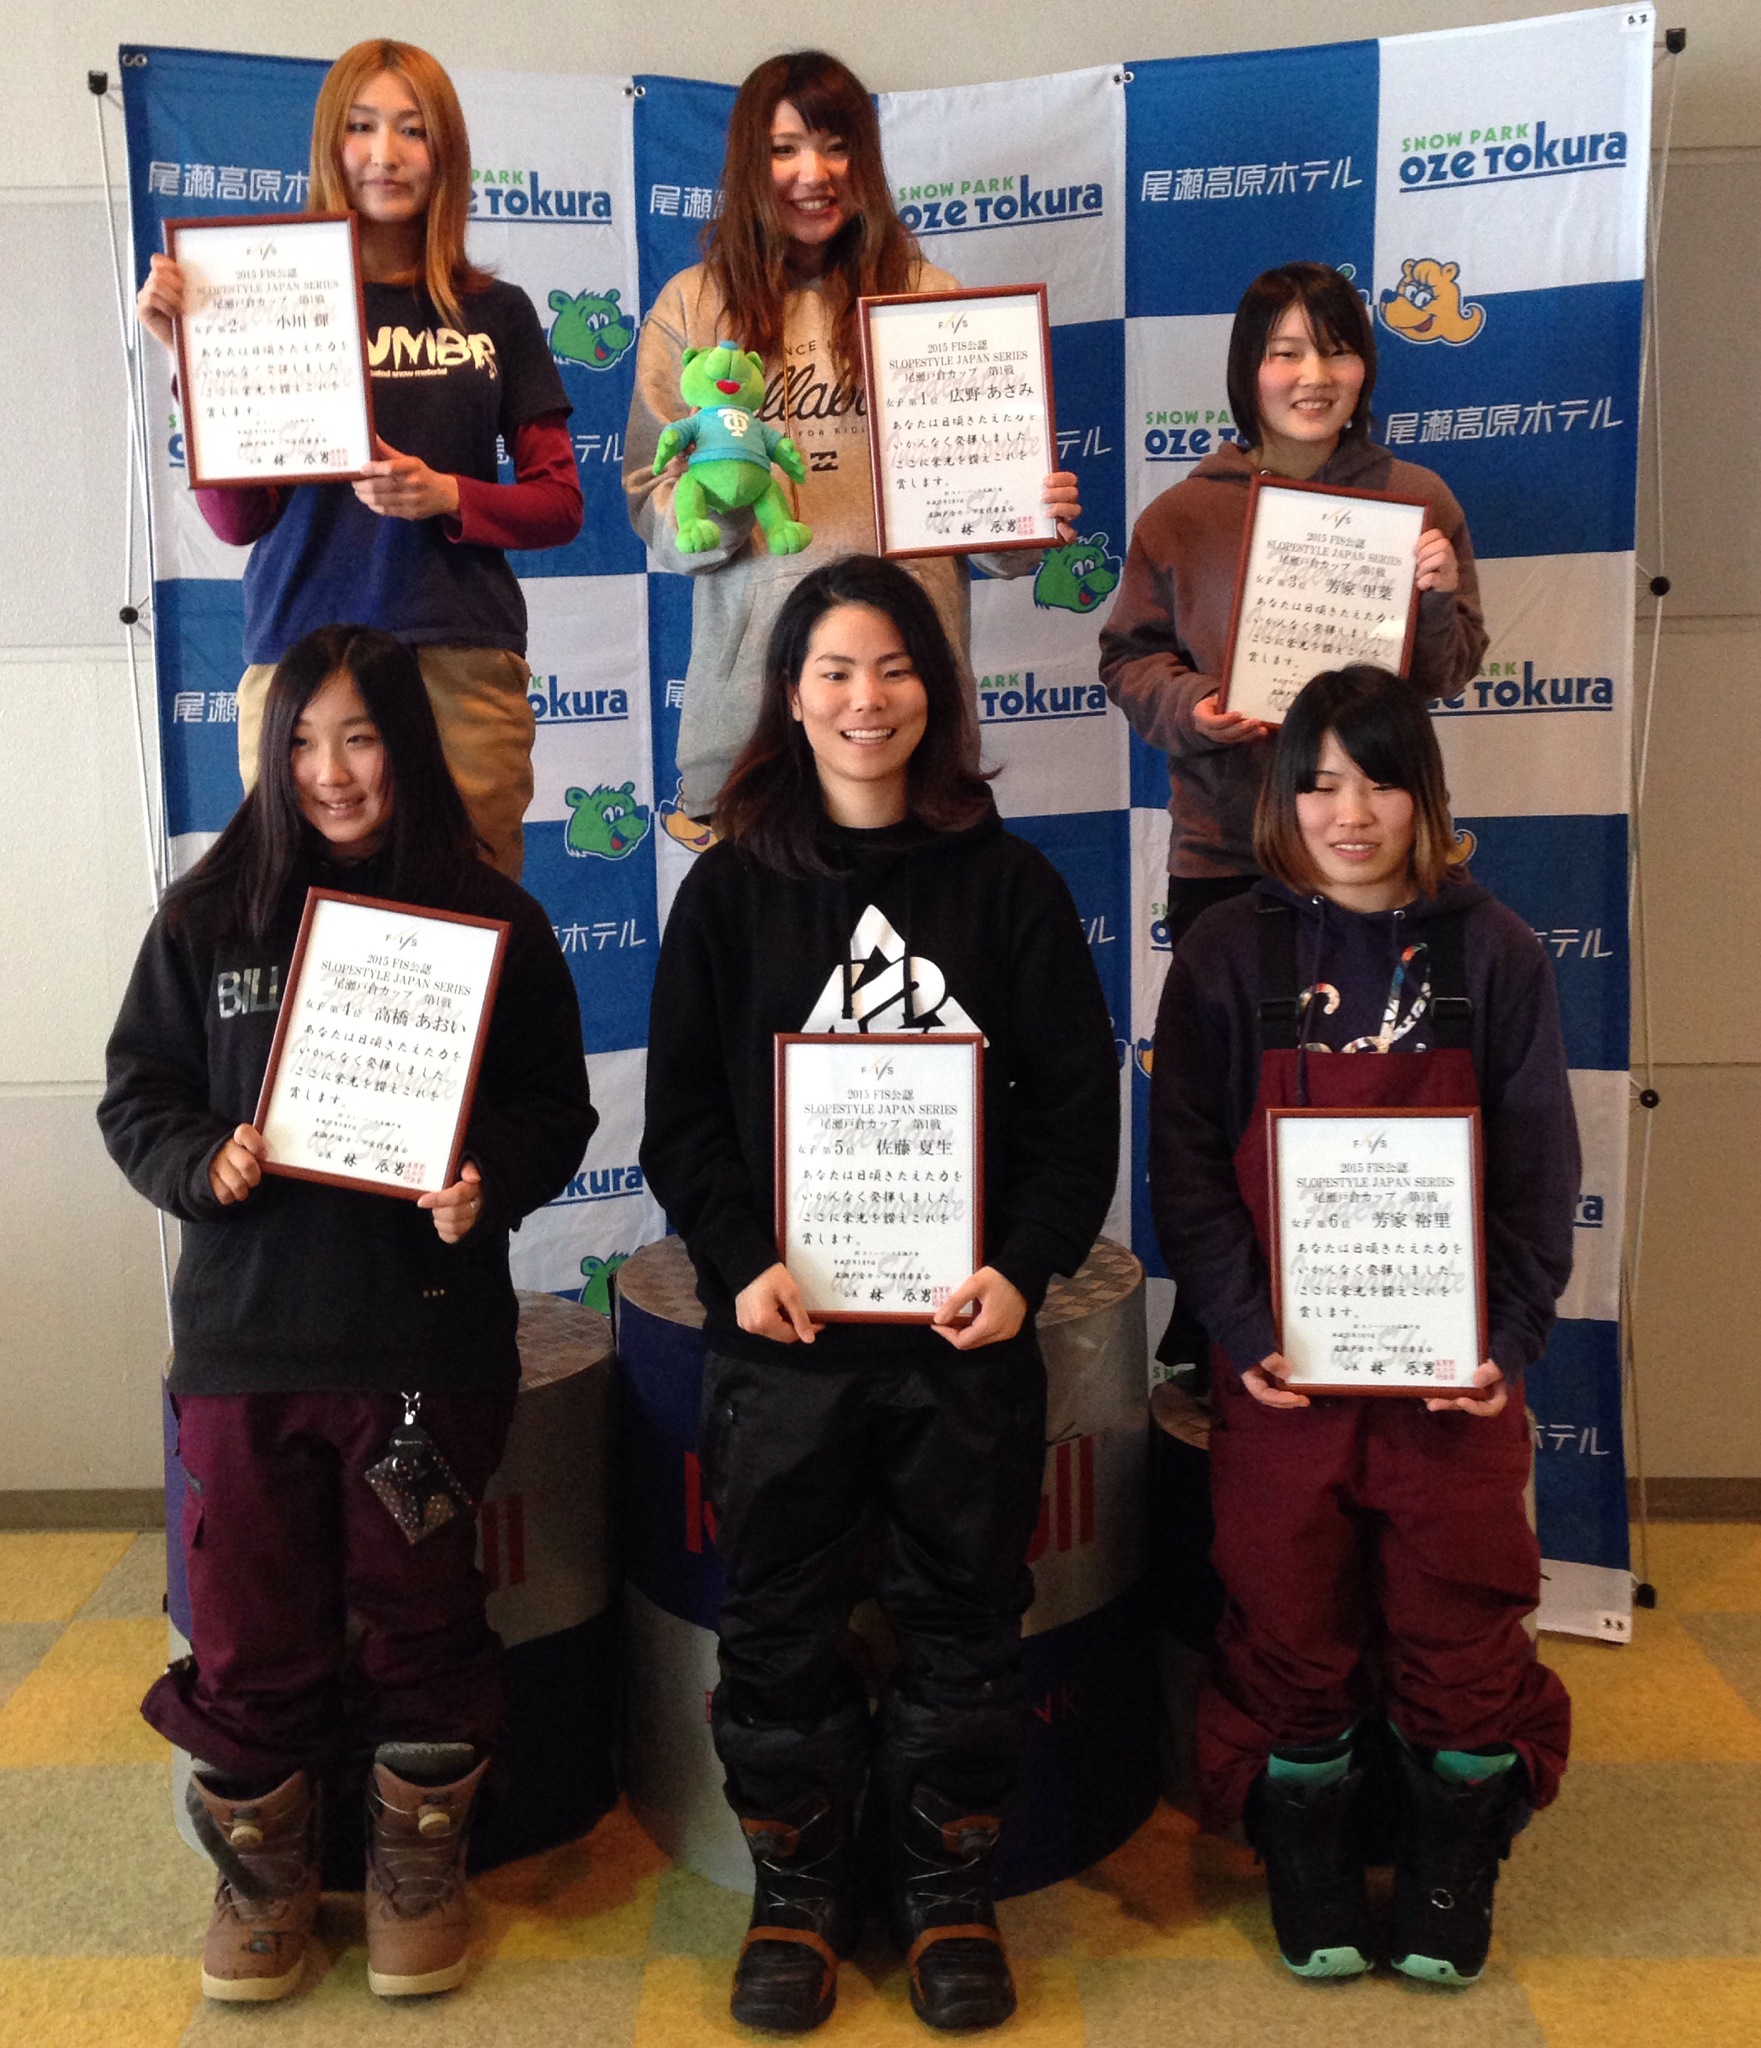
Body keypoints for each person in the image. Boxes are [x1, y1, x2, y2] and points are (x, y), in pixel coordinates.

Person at [641, 555, 1118, 2033]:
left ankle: (943, 1884)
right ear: (788, 697)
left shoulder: (1011, 885)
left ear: (937, 690)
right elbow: (682, 1124)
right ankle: (795, 1887)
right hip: (786, 1337)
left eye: (896, 668)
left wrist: (1021, 1267)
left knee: (964, 1620)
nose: (868, 699)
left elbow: (1074, 1115)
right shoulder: (729, 893)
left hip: (961, 1340)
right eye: (835, 671)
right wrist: (743, 1261)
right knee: (777, 1624)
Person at [97, 624, 595, 2004]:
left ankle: (415, 1866)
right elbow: (136, 1096)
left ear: (407, 747)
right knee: (249, 1627)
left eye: (361, 737)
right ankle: (262, 1879)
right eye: (305, 741)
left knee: (421, 1612)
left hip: (423, 1354)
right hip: (246, 1351)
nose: (331, 770)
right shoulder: (206, 917)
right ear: (272, 753)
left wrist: (487, 1175)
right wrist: (202, 1161)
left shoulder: (491, 919)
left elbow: (553, 1105)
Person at [1148, 663, 1576, 1988]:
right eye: (1321, 783)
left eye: (1381, 781)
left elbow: (1538, 1172)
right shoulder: (1227, 954)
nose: (1350, 813)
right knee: (1286, 1617)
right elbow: (1186, 1168)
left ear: (1425, 796)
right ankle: (1310, 1856)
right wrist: (1240, 1327)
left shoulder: (1498, 951)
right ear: (1281, 798)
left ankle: (1455, 1857)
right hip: (1283, 1376)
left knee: (1465, 1619)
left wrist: (1506, 1340)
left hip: (1453, 1382)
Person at [1101, 259, 1488, 1375]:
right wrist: (1192, 707)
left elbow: (1452, 667)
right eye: (1284, 352)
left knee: (1370, 1091)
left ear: (1363, 366)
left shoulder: (1418, 500)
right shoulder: (1182, 512)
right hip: (1228, 851)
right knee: (1223, 1100)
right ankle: (1217, 1330)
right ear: (1248, 372)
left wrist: (1431, 595)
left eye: (1334, 348)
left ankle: (1366, 1323)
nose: (1312, 374)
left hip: (1375, 862)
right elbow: (1128, 657)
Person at [135, 40, 582, 879]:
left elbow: (559, 503)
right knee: (303, 917)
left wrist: (446, 494)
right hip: (301, 658)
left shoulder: (498, 311)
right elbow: (237, 520)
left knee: (470, 916)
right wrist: (193, 366)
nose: (386, 154)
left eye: (413, 130)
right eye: (362, 126)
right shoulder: (260, 295)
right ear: (329, 146)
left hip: (459, 660)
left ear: (445, 152)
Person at [624, 49, 1082, 818]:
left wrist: (1023, 515)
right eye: (784, 149)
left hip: (908, 708)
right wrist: (725, 501)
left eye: (835, 147)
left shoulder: (929, 297)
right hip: (753, 714)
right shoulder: (693, 305)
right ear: (749, 163)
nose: (814, 173)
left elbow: (996, 540)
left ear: (863, 160)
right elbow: (654, 506)